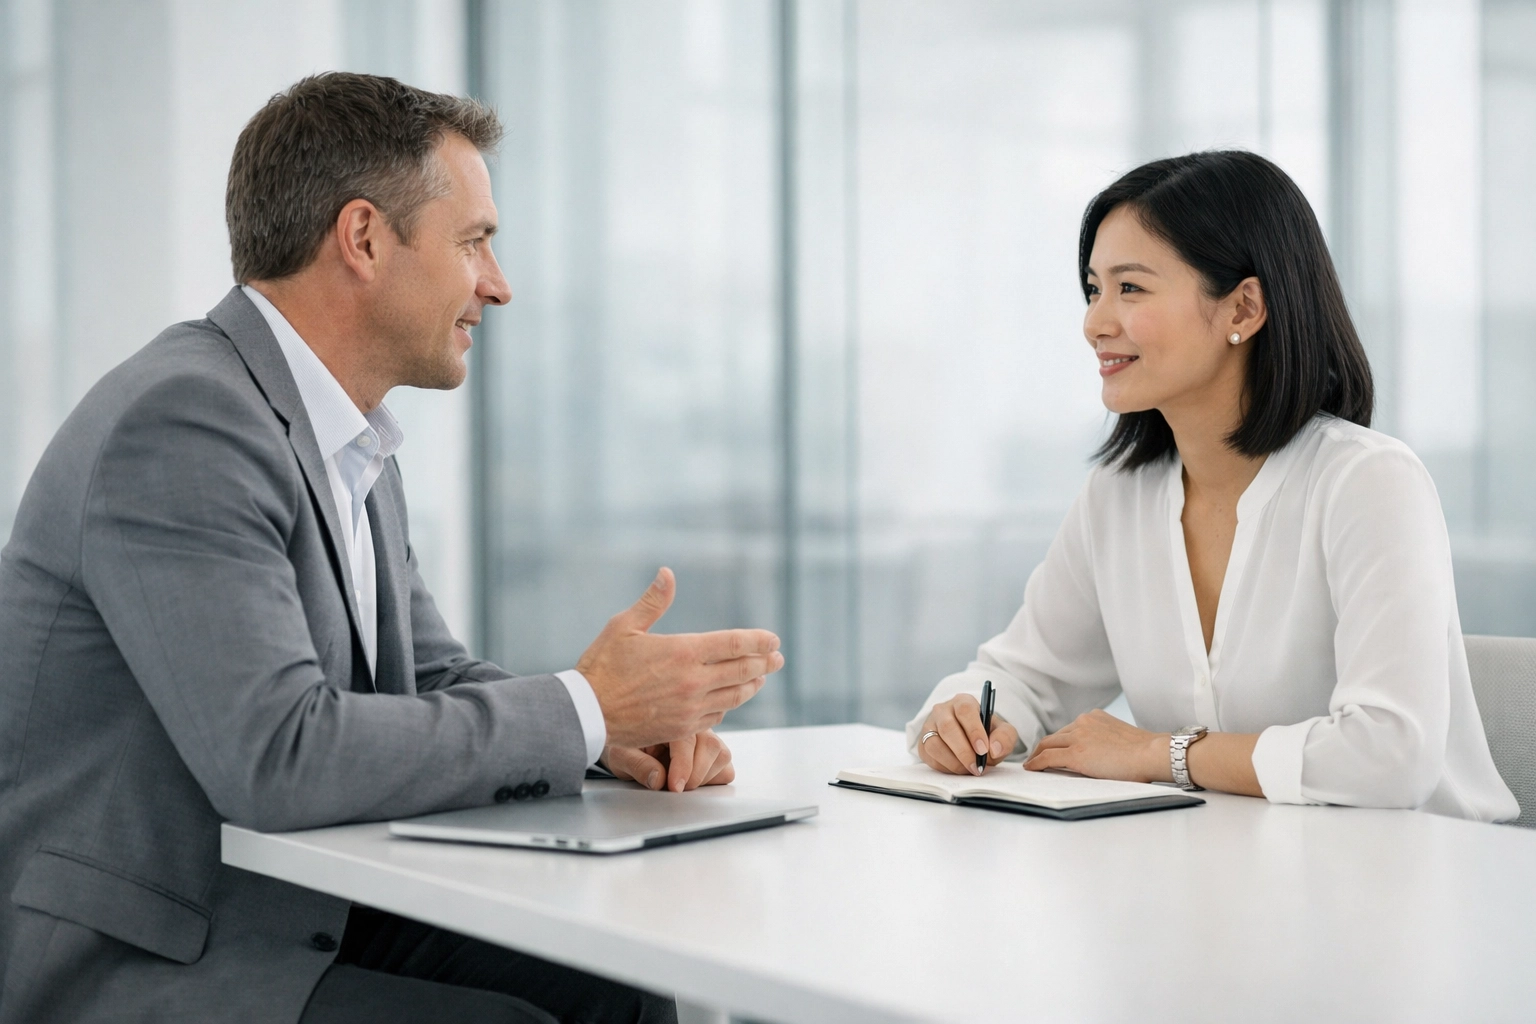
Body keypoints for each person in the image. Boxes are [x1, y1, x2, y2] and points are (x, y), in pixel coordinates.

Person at [0, 73, 785, 1024]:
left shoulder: (346, 435)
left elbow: (431, 678)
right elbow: (278, 755)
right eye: (473, 242)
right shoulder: (185, 422)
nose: (498, 283)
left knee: (616, 990)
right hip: (147, 954)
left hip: (291, 908)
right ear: (364, 238)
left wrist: (610, 733)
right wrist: (581, 707)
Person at [908, 151, 1517, 823]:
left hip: (1425, 885)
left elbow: (1389, 755)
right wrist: (963, 716)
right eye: (1092, 289)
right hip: (1236, 882)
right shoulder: (1121, 495)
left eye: (1130, 288)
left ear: (1244, 307)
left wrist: (1158, 755)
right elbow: (1027, 678)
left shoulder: (1367, 483)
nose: (1095, 322)